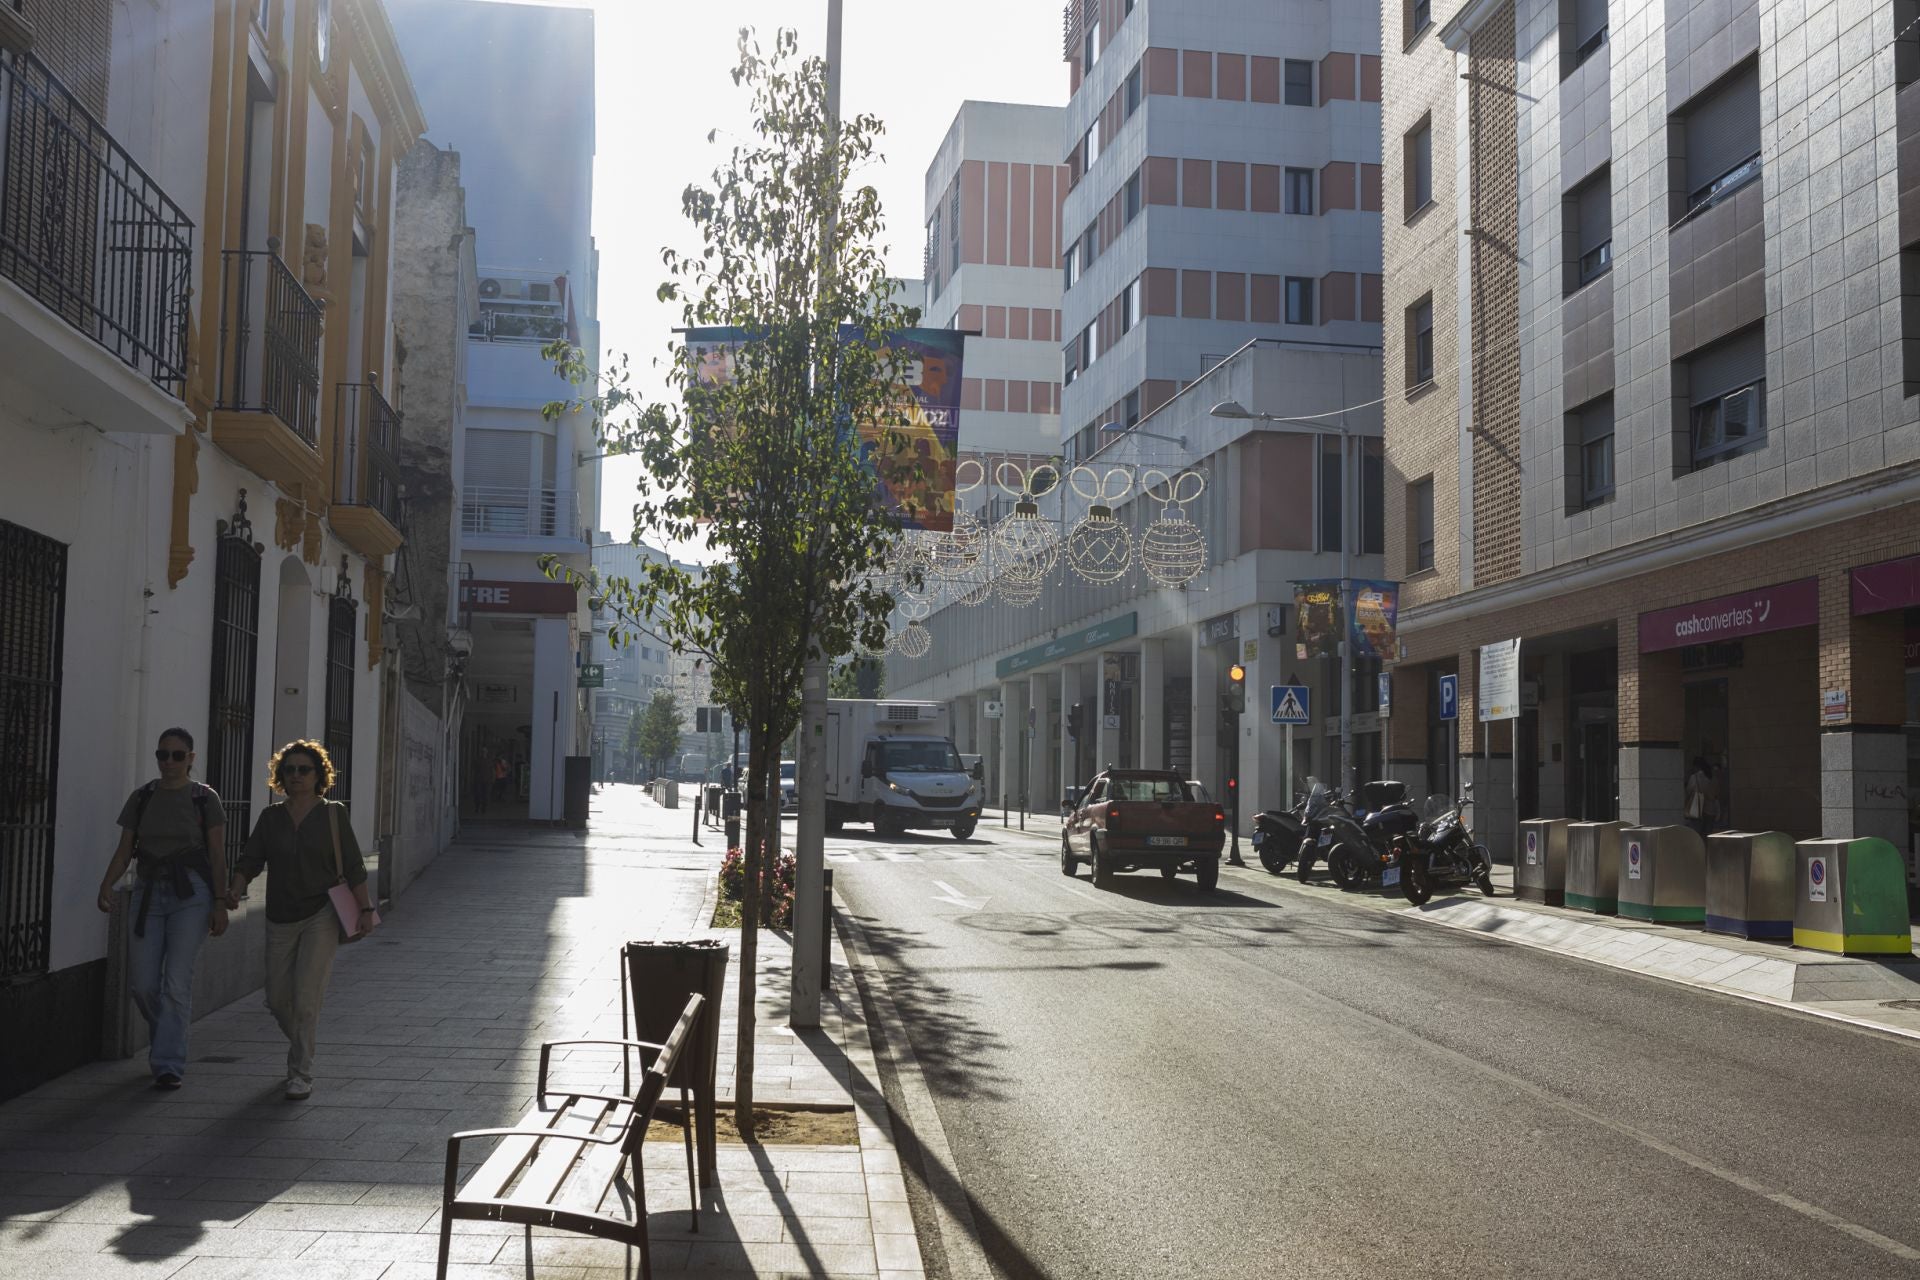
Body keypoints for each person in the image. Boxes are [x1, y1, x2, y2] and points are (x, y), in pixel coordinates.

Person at [229, 740, 373, 1100]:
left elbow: (354, 867)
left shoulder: (332, 814)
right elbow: (251, 859)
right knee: (278, 998)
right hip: (280, 915)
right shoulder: (271, 818)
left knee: (307, 997)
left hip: (321, 913)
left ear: (318, 774)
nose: (296, 776)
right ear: (281, 775)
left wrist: (366, 910)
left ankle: (301, 1071)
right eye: (289, 769)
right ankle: (302, 1046)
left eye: (303, 769)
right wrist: (234, 888)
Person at [96, 728, 230, 1089]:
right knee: (142, 985)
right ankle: (167, 1036)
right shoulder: (142, 797)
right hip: (148, 894)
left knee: (175, 983)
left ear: (191, 758)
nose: (168, 761)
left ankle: (168, 1063)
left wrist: (220, 902)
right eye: (162, 754)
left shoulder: (205, 798)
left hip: (192, 894)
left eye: (177, 755)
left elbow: (217, 855)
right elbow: (125, 849)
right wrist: (106, 883)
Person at [1685, 756, 1718, 837]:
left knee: (1697, 835)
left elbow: (1688, 791)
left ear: (1696, 766)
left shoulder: (1694, 777)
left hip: (1697, 810)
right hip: (1711, 809)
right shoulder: (1712, 776)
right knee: (1708, 835)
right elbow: (1716, 793)